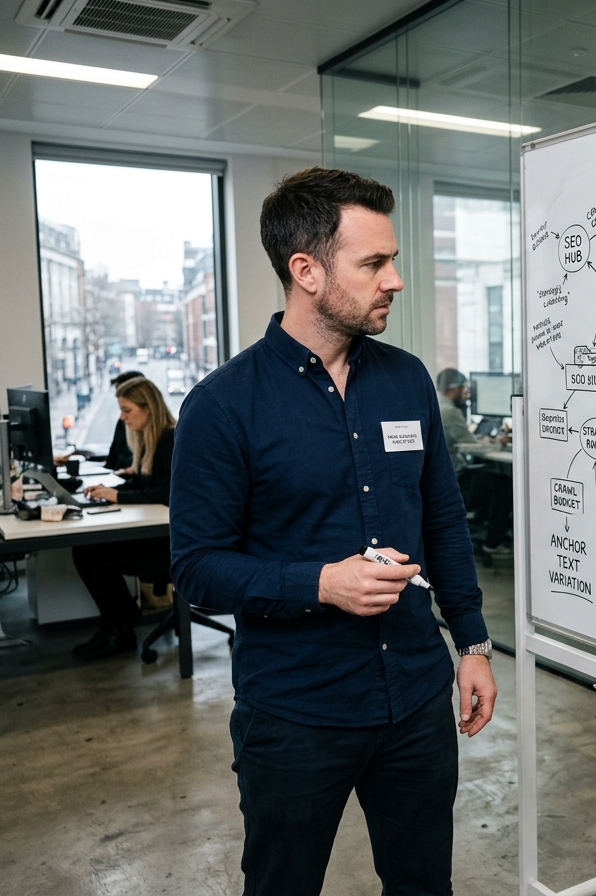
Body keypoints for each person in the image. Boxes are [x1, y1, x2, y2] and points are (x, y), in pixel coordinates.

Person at [170, 167, 497, 896]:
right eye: (375, 263)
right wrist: (321, 582)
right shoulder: (224, 407)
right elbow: (195, 569)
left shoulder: (406, 379)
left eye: (394, 259)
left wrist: (471, 645)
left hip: (414, 697)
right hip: (295, 713)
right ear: (306, 270)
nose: (396, 280)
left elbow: (441, 517)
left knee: (423, 885)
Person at [70, 376, 175, 660]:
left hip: (169, 544)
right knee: (85, 550)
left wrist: (118, 497)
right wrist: (109, 490)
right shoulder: (146, 439)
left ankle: (121, 627)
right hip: (155, 535)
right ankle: (114, 625)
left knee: (93, 555)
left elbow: (166, 492)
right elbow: (143, 483)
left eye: (127, 410)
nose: (122, 417)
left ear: (148, 408)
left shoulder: (170, 439)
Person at [436, 368, 513, 554]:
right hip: (456, 479)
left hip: (443, 478)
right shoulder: (449, 411)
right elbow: (470, 445)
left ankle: (482, 524)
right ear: (454, 389)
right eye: (464, 389)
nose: (466, 394)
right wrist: (498, 442)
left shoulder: (437, 404)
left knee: (488, 474)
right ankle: (493, 542)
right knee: (505, 485)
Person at [54, 368, 143, 471]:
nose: (122, 416)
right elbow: (112, 459)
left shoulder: (144, 430)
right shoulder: (123, 421)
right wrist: (75, 454)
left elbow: (125, 464)